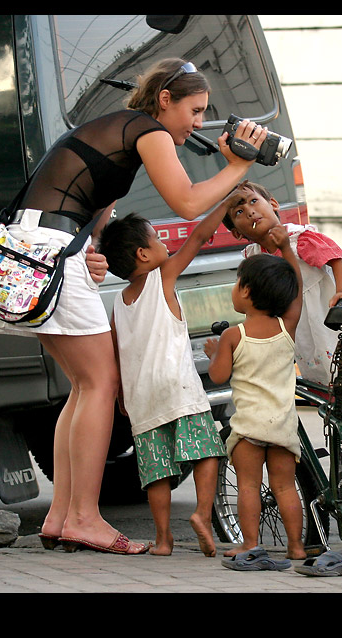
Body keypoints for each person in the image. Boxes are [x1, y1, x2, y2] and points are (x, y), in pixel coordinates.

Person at [0, 58, 268, 555]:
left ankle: (60, 516)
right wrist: (239, 165)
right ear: (166, 99)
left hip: (33, 250)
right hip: (46, 252)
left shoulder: (115, 130)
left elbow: (91, 211)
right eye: (196, 110)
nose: (199, 123)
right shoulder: (147, 130)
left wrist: (92, 253)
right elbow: (186, 203)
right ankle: (83, 517)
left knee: (83, 385)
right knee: (101, 383)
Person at [221, 180, 342, 420]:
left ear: (273, 204)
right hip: (308, 328)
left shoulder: (298, 239)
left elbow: (337, 260)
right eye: (239, 211)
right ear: (237, 232)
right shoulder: (254, 258)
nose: (250, 210)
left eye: (254, 201)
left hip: (332, 317)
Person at [98, 204, 231, 557]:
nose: (163, 243)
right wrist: (228, 203)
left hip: (142, 398)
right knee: (205, 452)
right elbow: (198, 237)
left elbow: (117, 353)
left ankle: (162, 540)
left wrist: (122, 398)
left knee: (156, 472)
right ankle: (203, 514)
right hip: (178, 386)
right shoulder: (163, 276)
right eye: (156, 238)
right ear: (143, 254)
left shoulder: (119, 302)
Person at [203, 224, 306, 569]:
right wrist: (288, 251)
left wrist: (215, 351)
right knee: (286, 488)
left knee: (248, 486)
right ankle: (296, 548)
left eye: (236, 284)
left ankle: (250, 543)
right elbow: (298, 295)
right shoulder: (285, 327)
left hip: (248, 427)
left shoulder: (234, 334)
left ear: (246, 292)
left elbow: (218, 376)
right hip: (282, 425)